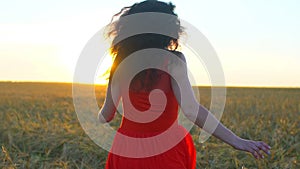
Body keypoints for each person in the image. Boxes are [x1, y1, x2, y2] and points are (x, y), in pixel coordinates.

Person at [98, 1, 271, 168]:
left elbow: (106, 115)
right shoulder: (173, 60)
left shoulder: (120, 63)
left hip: (127, 150)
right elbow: (191, 110)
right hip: (165, 150)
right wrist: (235, 140)